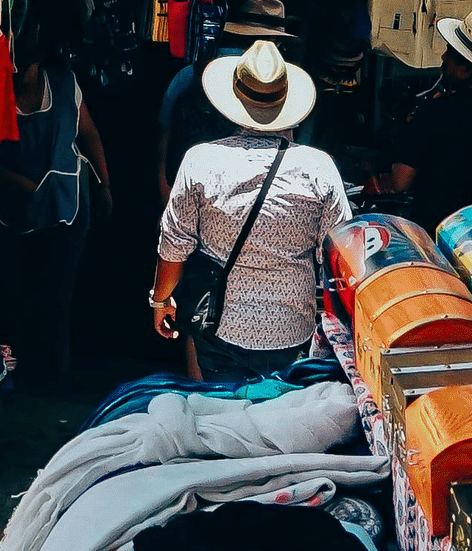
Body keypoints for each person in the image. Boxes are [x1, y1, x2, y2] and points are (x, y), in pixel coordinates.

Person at [150, 39, 350, 380]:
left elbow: (174, 245)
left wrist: (161, 302)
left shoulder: (201, 160)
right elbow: (337, 255)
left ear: (235, 101)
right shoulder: (320, 168)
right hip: (292, 330)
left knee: (223, 418)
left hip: (221, 327)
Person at [0, 19, 110, 388]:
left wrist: (105, 186)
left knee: (58, 293)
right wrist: (19, 183)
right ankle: (9, 374)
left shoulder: (65, 84)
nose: (16, 71)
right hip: (12, 211)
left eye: (23, 64)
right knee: (12, 293)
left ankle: (55, 376)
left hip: (68, 207)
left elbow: (90, 134)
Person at [156, 0, 301, 205]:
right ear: (274, 42)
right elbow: (287, 142)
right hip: (247, 197)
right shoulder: (277, 84)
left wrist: (163, 185)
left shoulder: (191, 73)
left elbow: (164, 130)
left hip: (186, 186)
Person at [388, 7, 472, 232]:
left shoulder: (435, 112)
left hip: (436, 231)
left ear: (465, 69)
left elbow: (400, 182)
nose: (443, 57)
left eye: (448, 52)